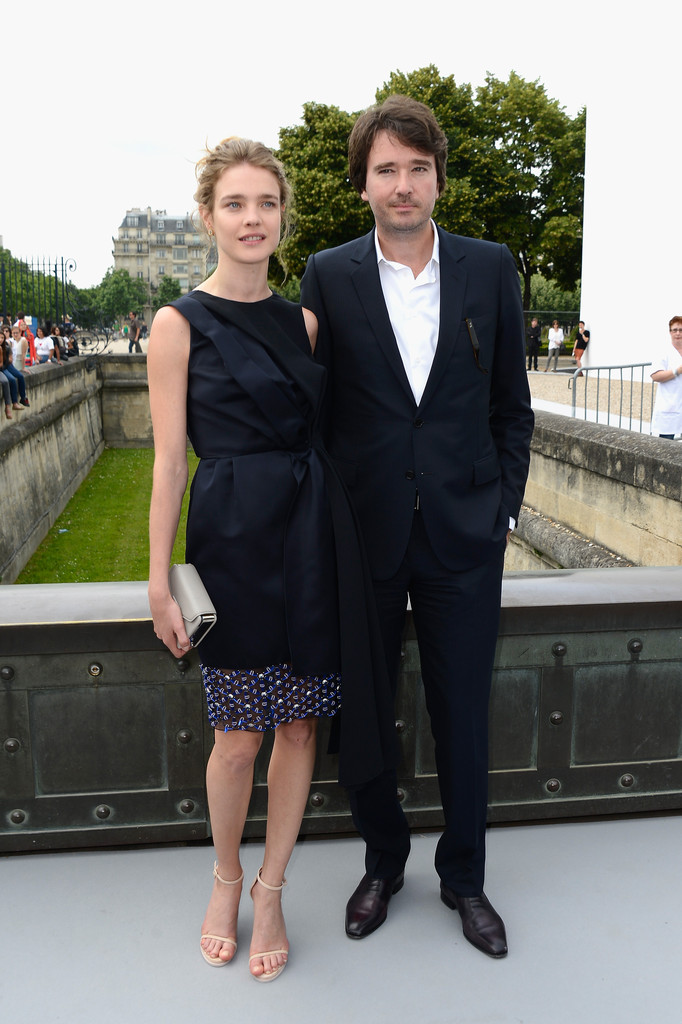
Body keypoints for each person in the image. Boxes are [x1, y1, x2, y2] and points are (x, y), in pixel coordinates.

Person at [148, 137, 394, 982]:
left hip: (310, 533)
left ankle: (274, 886)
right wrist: (158, 579)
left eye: (266, 204)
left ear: (283, 215)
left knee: (296, 726)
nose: (253, 219)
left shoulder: (307, 322)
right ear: (209, 216)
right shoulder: (176, 324)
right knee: (236, 737)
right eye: (235, 204)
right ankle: (225, 879)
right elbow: (170, 462)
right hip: (231, 542)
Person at [301, 95, 534, 959]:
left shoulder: (489, 266)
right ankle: (383, 862)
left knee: (463, 711)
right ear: (363, 183)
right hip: (364, 538)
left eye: (418, 168)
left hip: (465, 534)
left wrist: (502, 507)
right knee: (365, 712)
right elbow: (320, 418)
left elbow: (513, 408)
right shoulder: (327, 275)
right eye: (386, 169)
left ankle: (465, 878)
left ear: (438, 177)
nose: (404, 185)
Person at [650, 315, 682, 439]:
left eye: (681, 330)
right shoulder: (663, 351)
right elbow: (655, 375)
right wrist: (677, 371)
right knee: (666, 445)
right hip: (670, 406)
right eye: (675, 330)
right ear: (670, 332)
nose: (678, 333)